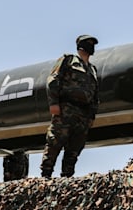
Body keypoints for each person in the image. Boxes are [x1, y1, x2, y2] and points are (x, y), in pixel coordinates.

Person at [40, 35, 100, 178]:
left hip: (83, 114)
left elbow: (95, 95)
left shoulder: (92, 69)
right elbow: (53, 80)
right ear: (80, 45)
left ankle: (67, 177)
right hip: (66, 108)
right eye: (88, 43)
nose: (91, 46)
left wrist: (92, 115)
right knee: (55, 141)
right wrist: (54, 103)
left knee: (75, 147)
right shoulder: (68, 60)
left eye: (93, 44)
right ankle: (46, 175)